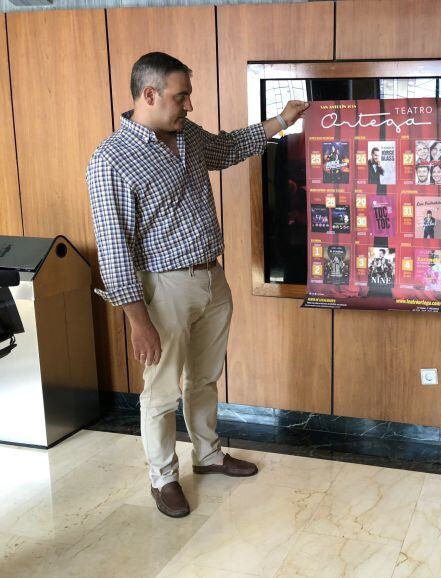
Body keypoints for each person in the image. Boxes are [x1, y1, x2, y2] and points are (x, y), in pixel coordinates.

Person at [87, 52, 308, 519]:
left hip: (212, 277)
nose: (189, 104)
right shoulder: (110, 160)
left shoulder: (186, 136)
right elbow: (113, 250)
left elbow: (227, 148)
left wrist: (281, 122)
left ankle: (207, 455)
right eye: (180, 95)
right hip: (161, 288)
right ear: (149, 95)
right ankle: (163, 477)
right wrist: (138, 322)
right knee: (161, 390)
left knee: (205, 377)